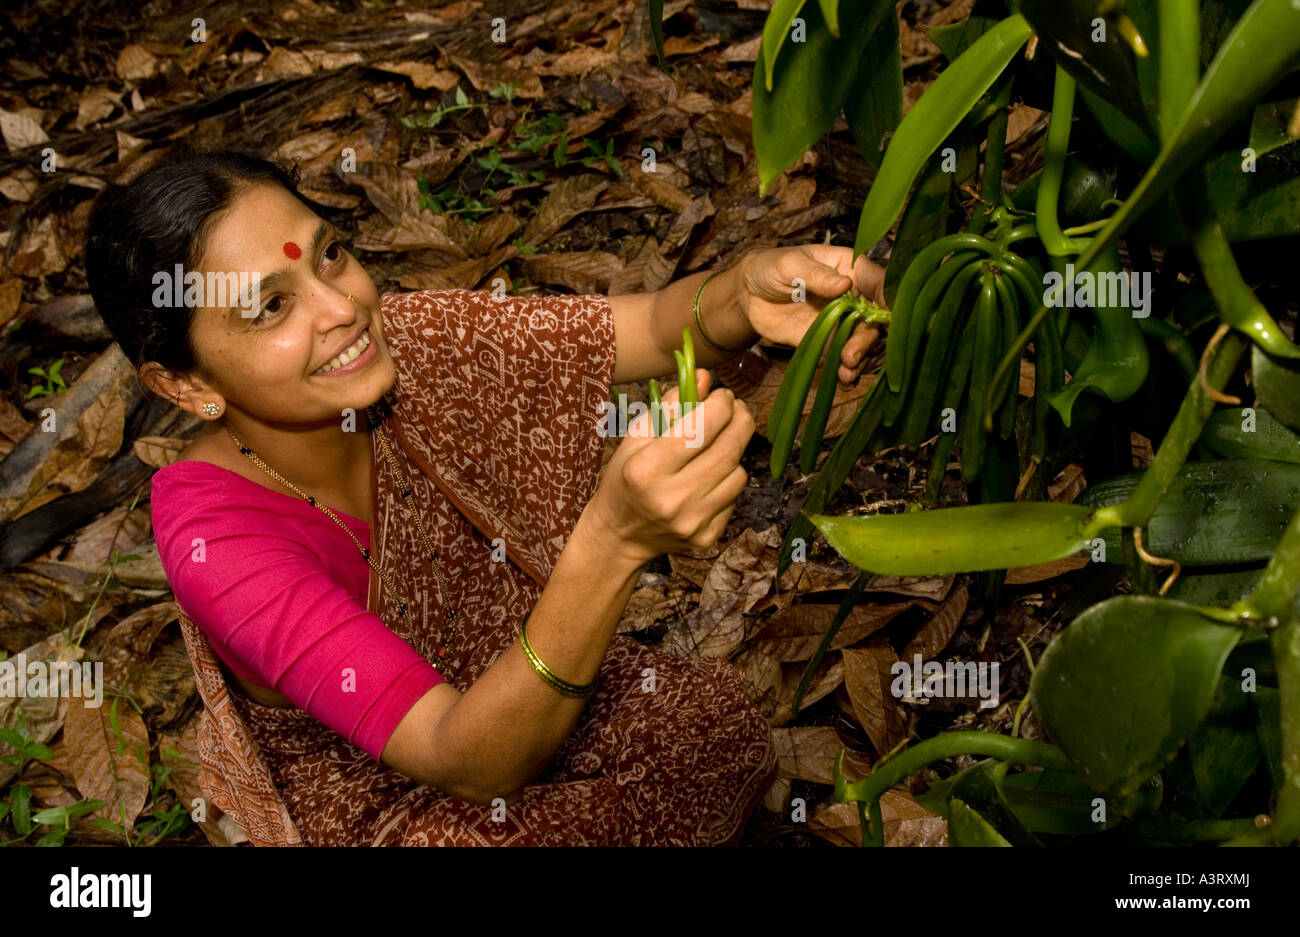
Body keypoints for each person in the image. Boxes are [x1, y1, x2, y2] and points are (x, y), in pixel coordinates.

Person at [83, 148, 884, 846]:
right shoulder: (217, 541)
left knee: (711, 728)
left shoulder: (406, 339)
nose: (341, 309)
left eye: (328, 256)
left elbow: (648, 328)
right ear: (183, 384)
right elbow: (465, 762)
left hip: (507, 682)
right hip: (388, 792)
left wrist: (744, 295)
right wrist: (611, 542)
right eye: (270, 307)